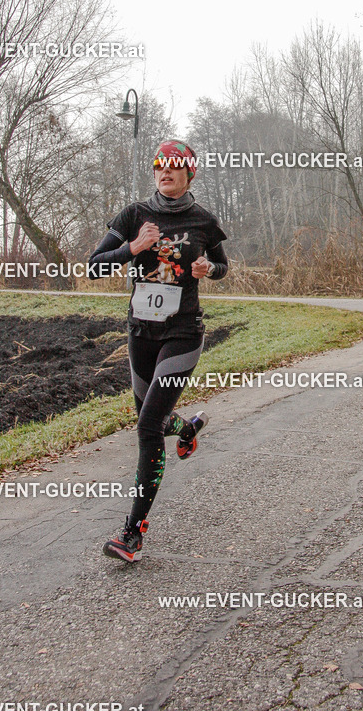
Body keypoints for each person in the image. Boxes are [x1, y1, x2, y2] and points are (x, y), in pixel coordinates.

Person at [87, 140, 228, 563]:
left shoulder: (204, 220)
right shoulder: (133, 215)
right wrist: (131, 249)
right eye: (158, 167)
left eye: (173, 167)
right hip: (140, 333)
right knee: (150, 416)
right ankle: (185, 427)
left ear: (190, 173)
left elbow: (222, 265)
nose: (164, 173)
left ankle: (133, 533)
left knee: (148, 429)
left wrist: (209, 269)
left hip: (183, 333)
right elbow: (94, 266)